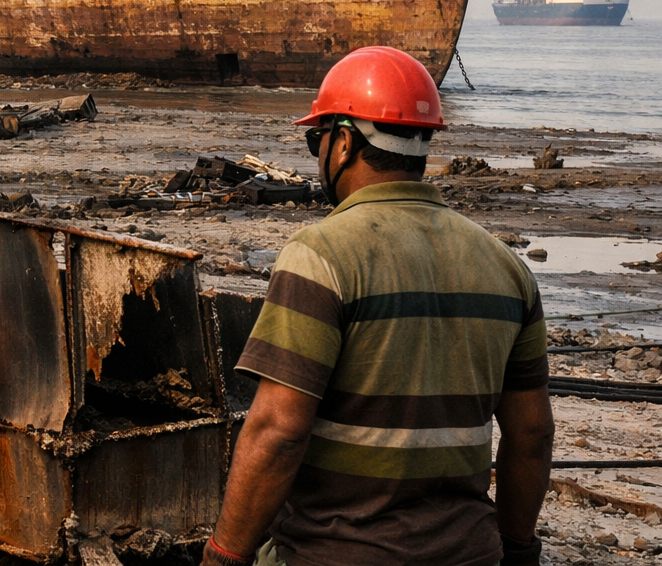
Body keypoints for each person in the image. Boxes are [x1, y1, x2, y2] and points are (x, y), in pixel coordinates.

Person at [201, 46, 553, 566]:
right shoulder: (506, 267)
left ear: (342, 142)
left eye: (314, 139)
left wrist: (223, 556)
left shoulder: (320, 257)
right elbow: (532, 433)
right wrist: (517, 550)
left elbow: (278, 431)